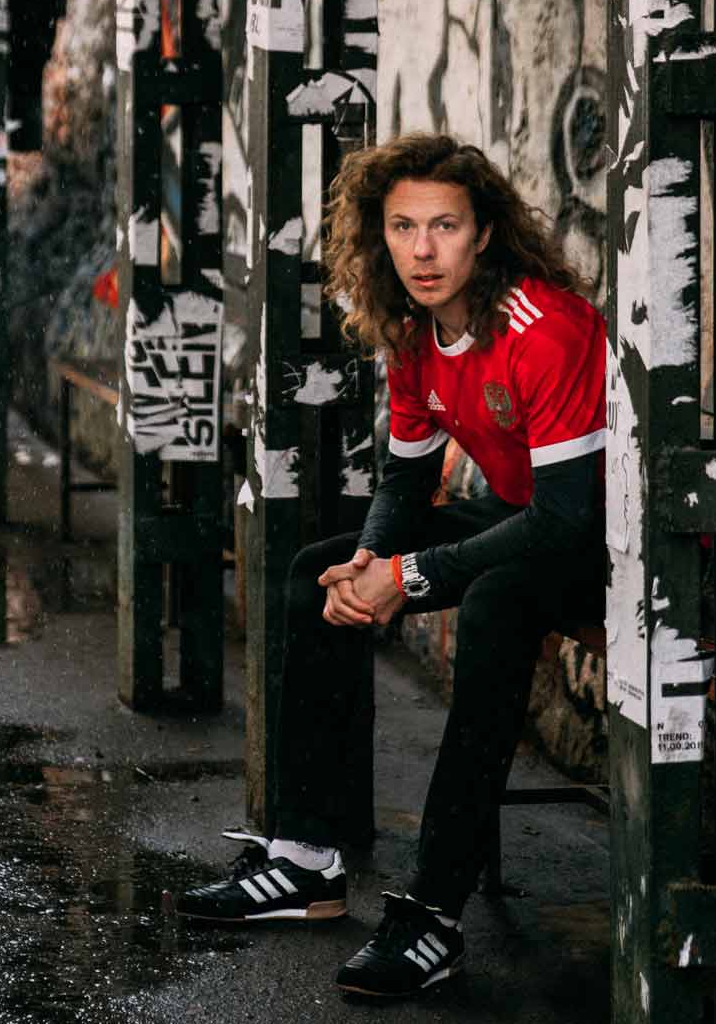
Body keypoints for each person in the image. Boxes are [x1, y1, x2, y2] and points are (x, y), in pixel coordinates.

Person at [176, 132, 606, 998]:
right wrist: (371, 561)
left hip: (615, 543)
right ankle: (306, 860)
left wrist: (407, 580)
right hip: (528, 518)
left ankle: (435, 914)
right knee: (319, 572)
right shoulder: (414, 335)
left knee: (494, 604)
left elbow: (568, 520)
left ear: (485, 233)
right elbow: (406, 484)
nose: (422, 250)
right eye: (404, 228)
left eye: (445, 226)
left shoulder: (545, 329)